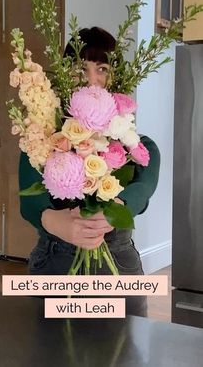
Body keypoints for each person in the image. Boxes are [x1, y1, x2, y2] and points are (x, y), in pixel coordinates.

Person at [19, 27, 160, 317]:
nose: (91, 80)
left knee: (123, 355)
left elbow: (142, 187)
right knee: (48, 354)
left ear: (116, 77)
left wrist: (116, 209)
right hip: (53, 264)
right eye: (80, 69)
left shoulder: (138, 147)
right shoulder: (41, 143)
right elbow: (28, 197)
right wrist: (56, 222)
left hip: (118, 266)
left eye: (102, 69)